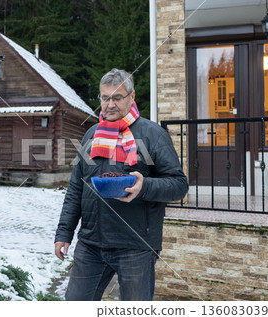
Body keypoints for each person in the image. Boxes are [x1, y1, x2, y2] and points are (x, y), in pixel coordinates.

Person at [54, 68, 188, 301]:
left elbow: (179, 184)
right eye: (105, 98)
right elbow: (77, 186)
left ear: (132, 97)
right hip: (91, 243)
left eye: (117, 97)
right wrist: (64, 232)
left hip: (135, 246)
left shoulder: (152, 135)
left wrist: (144, 186)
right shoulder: (91, 135)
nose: (110, 104)